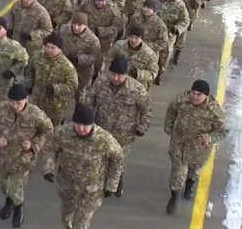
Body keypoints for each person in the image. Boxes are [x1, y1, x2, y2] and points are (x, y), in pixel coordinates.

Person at [43, 103, 123, 229]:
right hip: (67, 185)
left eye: (86, 126)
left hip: (91, 190)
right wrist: (49, 169)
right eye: (79, 125)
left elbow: (117, 159)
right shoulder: (62, 133)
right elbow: (50, 149)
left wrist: (111, 185)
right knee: (66, 217)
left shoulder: (104, 140)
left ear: (93, 124)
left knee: (82, 222)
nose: (82, 129)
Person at [84, 57, 151, 197]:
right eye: (113, 74)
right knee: (100, 157)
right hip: (102, 129)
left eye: (120, 75)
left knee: (118, 159)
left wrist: (142, 127)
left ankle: (116, 182)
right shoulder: (101, 82)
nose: (116, 78)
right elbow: (90, 97)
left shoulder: (137, 89)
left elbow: (146, 110)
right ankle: (101, 183)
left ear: (126, 75)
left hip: (124, 133)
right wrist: (87, 117)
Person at [0, 84, 52, 227]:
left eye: (19, 103)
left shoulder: (36, 114)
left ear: (26, 100)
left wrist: (33, 144)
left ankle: (18, 208)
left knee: (15, 187)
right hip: (3, 157)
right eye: (12, 102)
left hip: (23, 159)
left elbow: (47, 131)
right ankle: (8, 203)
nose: (15, 106)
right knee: (4, 185)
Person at [164, 79, 228, 214]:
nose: (194, 96)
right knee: (178, 173)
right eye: (193, 93)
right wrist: (169, 127)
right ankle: (174, 197)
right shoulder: (182, 100)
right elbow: (171, 110)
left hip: (199, 150)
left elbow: (223, 131)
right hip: (179, 144)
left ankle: (189, 187)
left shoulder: (214, 112)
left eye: (198, 94)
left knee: (194, 172)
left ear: (206, 95)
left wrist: (210, 138)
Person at [25, 33, 79, 127]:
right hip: (37, 99)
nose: (49, 50)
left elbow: (73, 86)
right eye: (47, 46)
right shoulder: (37, 57)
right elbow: (29, 69)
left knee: (51, 129)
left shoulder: (67, 66)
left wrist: (56, 89)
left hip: (55, 107)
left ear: (59, 49)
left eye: (52, 48)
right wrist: (29, 84)